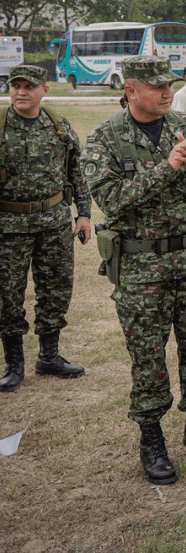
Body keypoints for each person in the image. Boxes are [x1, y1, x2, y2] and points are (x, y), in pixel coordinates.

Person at [82, 56, 186, 486]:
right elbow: (112, 200)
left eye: (169, 85)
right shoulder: (105, 138)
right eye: (155, 87)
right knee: (148, 358)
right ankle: (152, 438)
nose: (167, 93)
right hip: (141, 268)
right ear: (131, 91)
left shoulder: (185, 125)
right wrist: (166, 168)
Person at [1, 64, 92, 393]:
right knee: (7, 296)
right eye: (16, 86)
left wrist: (84, 213)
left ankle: (49, 356)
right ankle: (14, 364)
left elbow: (76, 171)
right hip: (8, 225)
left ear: (44, 90)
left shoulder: (58, 125)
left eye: (29, 86)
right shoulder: (0, 125)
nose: (21, 92)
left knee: (55, 290)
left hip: (54, 221)